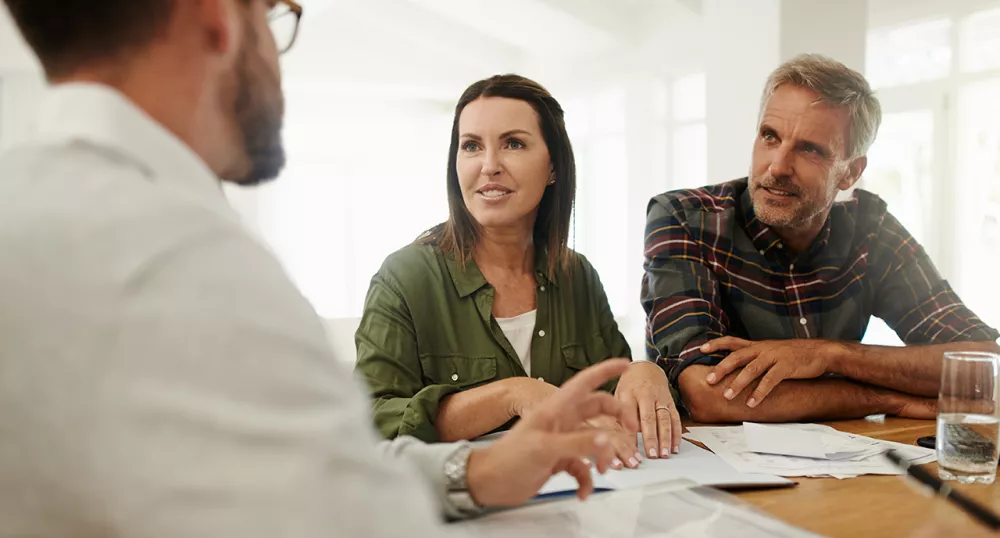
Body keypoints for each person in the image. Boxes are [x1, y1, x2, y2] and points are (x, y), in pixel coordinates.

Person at [0, 1, 641, 535]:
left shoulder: (30, 207)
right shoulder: (197, 263)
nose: (488, 165)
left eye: (513, 144)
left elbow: (304, 470)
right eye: (276, 14)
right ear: (219, 18)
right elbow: (361, 513)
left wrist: (471, 473)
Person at [642, 54, 1000, 424]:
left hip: (840, 467)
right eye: (770, 136)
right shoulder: (685, 218)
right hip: (714, 472)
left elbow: (982, 365)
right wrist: (882, 398)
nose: (778, 166)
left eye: (810, 149)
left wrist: (831, 355)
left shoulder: (870, 229)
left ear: (850, 172)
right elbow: (707, 393)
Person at [354, 74, 681, 468]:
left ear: (554, 167)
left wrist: (644, 373)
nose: (489, 166)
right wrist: (513, 394)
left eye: (513, 143)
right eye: (472, 146)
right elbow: (369, 421)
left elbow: (612, 394)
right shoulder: (404, 278)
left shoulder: (578, 276)